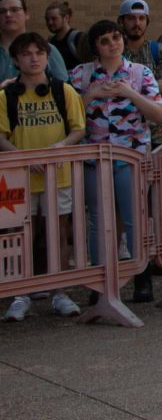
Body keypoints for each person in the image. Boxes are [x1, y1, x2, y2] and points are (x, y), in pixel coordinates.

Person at [71, 19, 162, 302]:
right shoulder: (80, 75)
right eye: (105, 40)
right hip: (94, 158)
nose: (113, 44)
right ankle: (99, 283)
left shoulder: (140, 72)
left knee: (134, 216)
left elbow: (158, 115)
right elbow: (69, 117)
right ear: (95, 47)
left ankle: (141, 277)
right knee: (97, 219)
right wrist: (91, 96)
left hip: (131, 156)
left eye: (116, 38)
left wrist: (130, 93)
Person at [0, 33, 86, 321]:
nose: (33, 58)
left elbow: (78, 129)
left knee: (57, 231)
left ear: (48, 57)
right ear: (16, 60)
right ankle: (20, 293)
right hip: (17, 177)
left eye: (39, 53)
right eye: (26, 54)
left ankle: (59, 291)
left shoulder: (64, 91)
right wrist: (24, 158)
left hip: (56, 175)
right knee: (19, 235)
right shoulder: (5, 96)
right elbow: (1, 136)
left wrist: (59, 148)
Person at [118, 0, 162, 147]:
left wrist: (130, 90)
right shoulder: (115, 53)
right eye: (131, 18)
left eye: (141, 18)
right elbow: (116, 91)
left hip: (156, 136)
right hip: (122, 136)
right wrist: (155, 85)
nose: (137, 23)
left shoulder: (159, 51)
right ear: (121, 22)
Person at [0, 0, 69, 84]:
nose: (8, 14)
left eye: (14, 9)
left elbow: (63, 89)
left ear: (27, 14)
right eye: (2, 11)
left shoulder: (46, 49)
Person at [45, 1, 84, 71]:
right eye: (47, 19)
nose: (50, 22)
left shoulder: (79, 38)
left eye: (54, 19)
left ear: (66, 18)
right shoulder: (50, 43)